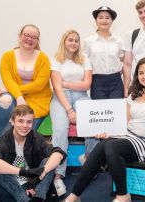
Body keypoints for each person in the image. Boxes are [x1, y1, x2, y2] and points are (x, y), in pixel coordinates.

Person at [64, 57, 145, 202]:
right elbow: (125, 122)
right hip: (128, 136)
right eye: (141, 73)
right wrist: (108, 133)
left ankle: (123, 195)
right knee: (101, 145)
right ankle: (74, 195)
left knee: (111, 146)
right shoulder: (134, 94)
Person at [0, 24, 52, 153]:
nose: (30, 39)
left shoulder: (43, 58)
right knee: (5, 99)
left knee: (24, 128)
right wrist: (19, 97)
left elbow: (39, 85)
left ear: (37, 41)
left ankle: (14, 149)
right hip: (15, 96)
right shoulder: (7, 56)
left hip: (38, 98)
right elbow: (8, 79)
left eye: (34, 37)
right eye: (26, 35)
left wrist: (14, 90)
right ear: (20, 36)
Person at [0, 105, 66, 202]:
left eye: (29, 122)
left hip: (33, 186)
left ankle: (38, 199)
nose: (25, 125)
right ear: (12, 121)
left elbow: (58, 154)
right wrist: (23, 172)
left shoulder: (35, 137)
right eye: (20, 121)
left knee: (49, 161)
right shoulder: (3, 141)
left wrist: (42, 172)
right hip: (11, 188)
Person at [50, 29, 92, 196]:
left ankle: (88, 159)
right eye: (70, 40)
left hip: (81, 96)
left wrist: (66, 82)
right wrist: (69, 110)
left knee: (92, 122)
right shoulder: (55, 59)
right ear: (64, 42)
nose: (73, 43)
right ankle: (59, 174)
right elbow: (57, 88)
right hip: (61, 98)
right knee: (60, 129)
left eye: (76, 40)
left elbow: (86, 85)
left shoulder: (84, 59)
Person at [80, 6, 124, 165]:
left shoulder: (119, 40)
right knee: (100, 121)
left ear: (112, 21)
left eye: (107, 17)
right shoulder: (88, 41)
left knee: (115, 120)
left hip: (115, 81)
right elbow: (84, 64)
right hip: (97, 81)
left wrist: (125, 84)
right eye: (101, 17)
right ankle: (98, 159)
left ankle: (113, 157)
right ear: (96, 20)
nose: (104, 20)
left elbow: (123, 62)